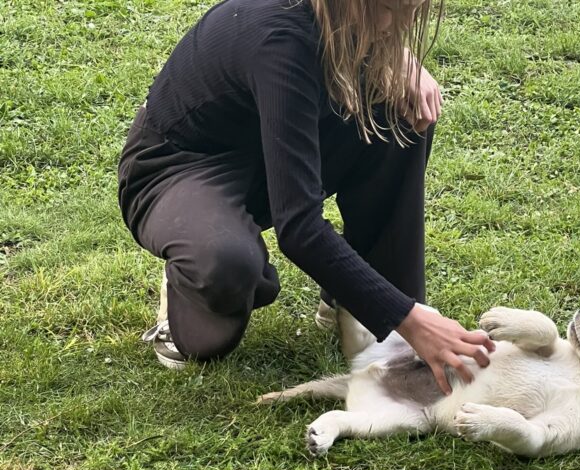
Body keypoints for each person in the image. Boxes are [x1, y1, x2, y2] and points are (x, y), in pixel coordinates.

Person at [117, 0, 495, 395]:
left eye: (412, 9)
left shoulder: (335, 17)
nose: (398, 22)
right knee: (227, 266)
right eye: (388, 8)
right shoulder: (280, 39)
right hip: (178, 167)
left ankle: (358, 301)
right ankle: (191, 268)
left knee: (404, 107)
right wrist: (411, 319)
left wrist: (393, 53)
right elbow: (299, 228)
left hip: (265, 146)